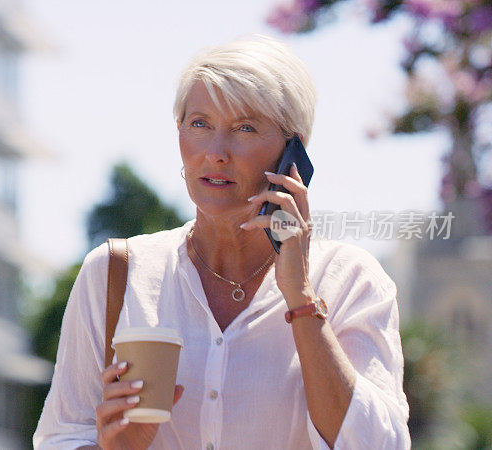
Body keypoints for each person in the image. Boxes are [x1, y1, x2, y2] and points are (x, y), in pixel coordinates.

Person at [33, 35, 410, 449]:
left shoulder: (350, 280)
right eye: (200, 124)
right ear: (179, 133)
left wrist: (300, 297)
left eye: (245, 128)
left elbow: (379, 445)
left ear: (293, 151)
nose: (215, 152)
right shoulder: (115, 273)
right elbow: (61, 438)